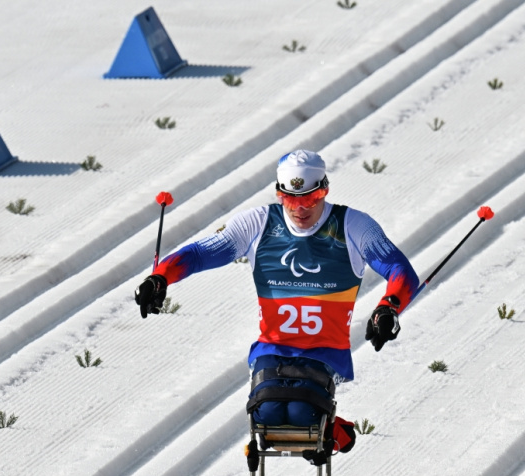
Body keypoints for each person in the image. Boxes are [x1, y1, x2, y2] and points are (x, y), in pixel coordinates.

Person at [134, 149, 419, 444]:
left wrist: (389, 307)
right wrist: (160, 277)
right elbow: (198, 254)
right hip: (273, 348)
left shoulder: (353, 226)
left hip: (325, 350)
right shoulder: (258, 223)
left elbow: (399, 269)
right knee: (266, 414)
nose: (300, 208)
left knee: (301, 415)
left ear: (324, 191)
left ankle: (334, 431)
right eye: (290, 199)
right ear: (278, 194)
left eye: (309, 198)